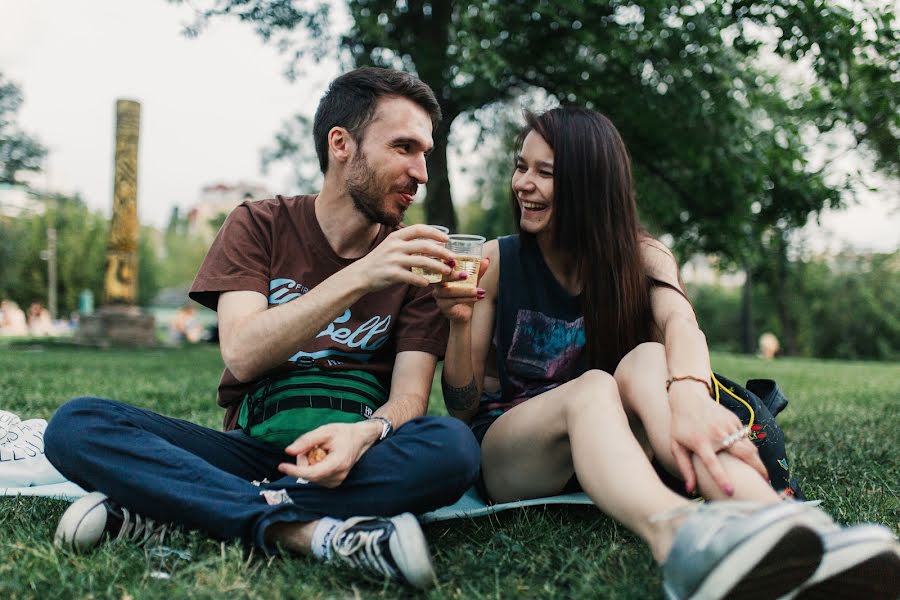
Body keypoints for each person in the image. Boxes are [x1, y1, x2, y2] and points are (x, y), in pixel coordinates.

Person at [435, 107, 899, 600]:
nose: (522, 184)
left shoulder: (640, 256)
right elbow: (463, 407)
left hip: (613, 443)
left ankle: (792, 530)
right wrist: (459, 326)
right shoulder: (495, 261)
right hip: (515, 453)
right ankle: (679, 540)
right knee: (594, 384)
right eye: (521, 166)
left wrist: (692, 397)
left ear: (590, 183)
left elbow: (681, 322)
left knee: (650, 359)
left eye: (544, 172)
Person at [44, 67, 481, 591]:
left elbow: (411, 397)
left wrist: (364, 435)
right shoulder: (259, 224)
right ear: (341, 144)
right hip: (247, 451)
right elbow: (244, 352)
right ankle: (310, 532)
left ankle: (177, 508)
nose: (422, 172)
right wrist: (362, 275)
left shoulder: (413, 256)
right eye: (404, 147)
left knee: (454, 448)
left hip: (357, 453)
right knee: (77, 424)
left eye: (425, 153)